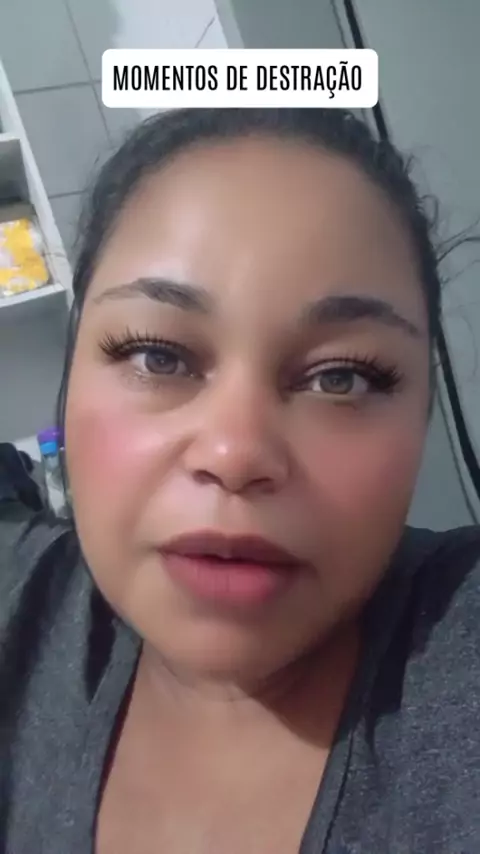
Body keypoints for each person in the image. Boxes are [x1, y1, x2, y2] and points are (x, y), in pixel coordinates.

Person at [1, 108, 480, 854]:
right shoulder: (19, 609)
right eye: (158, 356)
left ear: (423, 417)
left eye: (342, 377)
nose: (234, 452)